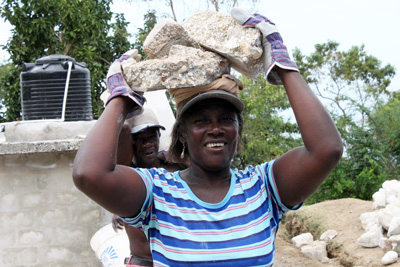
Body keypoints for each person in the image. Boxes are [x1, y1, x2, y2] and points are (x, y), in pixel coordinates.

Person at [73, 8, 343, 266]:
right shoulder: (157, 191)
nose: (216, 128)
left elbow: (326, 149)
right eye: (201, 120)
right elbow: (88, 174)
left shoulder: (263, 188)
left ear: (238, 131)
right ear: (182, 134)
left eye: (226, 119)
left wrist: (282, 65)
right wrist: (120, 99)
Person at [112, 108, 186, 266]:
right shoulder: (127, 173)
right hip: (144, 261)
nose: (147, 144)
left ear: (159, 136)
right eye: (140, 139)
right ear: (130, 141)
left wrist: (168, 156)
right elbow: (124, 128)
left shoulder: (174, 168)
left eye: (152, 137)